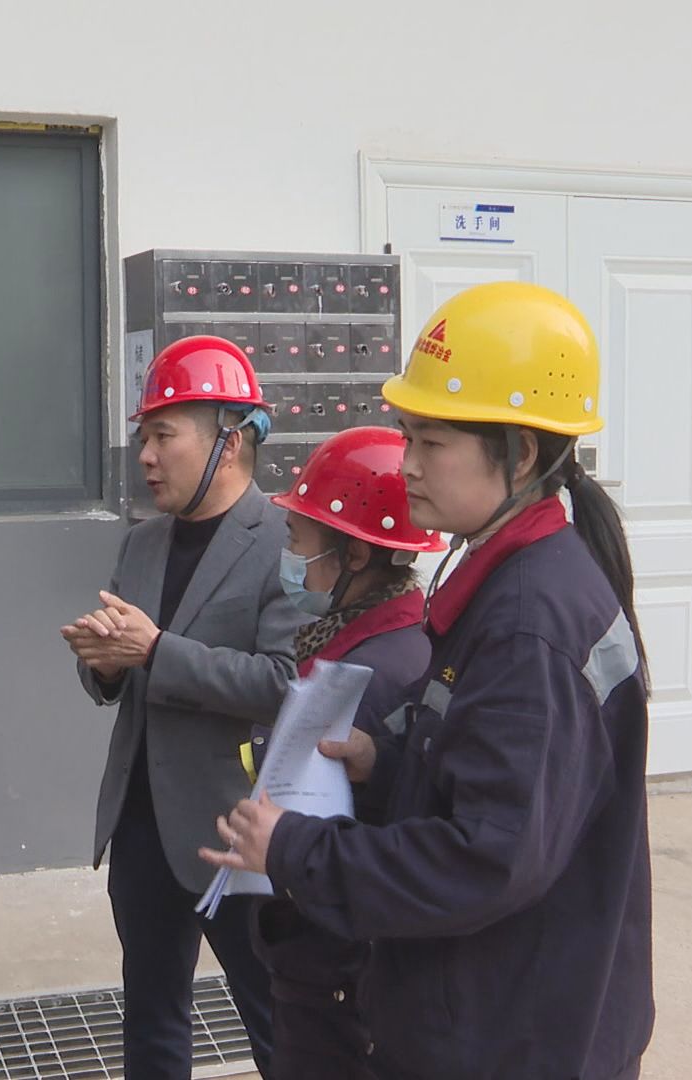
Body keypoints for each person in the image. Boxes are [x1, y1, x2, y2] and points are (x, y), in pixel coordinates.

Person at [202, 281, 655, 1079]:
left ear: (520, 455)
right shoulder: (515, 579)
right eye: (407, 435)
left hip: (515, 1039)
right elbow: (508, 790)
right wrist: (386, 762)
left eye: (432, 442)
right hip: (515, 1013)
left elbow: (485, 859)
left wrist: (297, 849)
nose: (407, 465)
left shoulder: (529, 623)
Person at [61, 334, 305, 1078]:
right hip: (142, 826)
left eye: (163, 436)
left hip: (239, 830)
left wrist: (156, 650)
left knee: (278, 1020)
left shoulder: (287, 539)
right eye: (144, 438)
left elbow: (284, 684)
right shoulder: (142, 545)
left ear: (228, 440)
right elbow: (120, 675)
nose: (146, 456)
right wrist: (104, 666)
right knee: (151, 1020)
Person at [251, 426, 444, 1080]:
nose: (288, 557)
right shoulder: (354, 638)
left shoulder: (374, 673)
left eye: (298, 540)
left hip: (339, 969)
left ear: (355, 555)